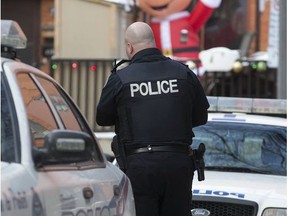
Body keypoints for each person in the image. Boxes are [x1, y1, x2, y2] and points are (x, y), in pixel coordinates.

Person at [96, 22, 209, 216]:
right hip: (178, 164)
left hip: (139, 166)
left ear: (129, 47)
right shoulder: (183, 73)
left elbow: (102, 118)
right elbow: (201, 117)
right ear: (153, 42)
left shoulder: (121, 78)